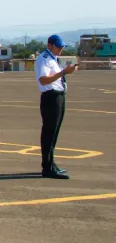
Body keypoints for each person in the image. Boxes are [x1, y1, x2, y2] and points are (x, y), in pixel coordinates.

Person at [35, 34, 78, 179]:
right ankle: (47, 167)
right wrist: (64, 72)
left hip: (58, 96)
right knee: (49, 132)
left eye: (62, 47)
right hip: (50, 97)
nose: (60, 50)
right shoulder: (44, 59)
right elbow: (43, 80)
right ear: (49, 45)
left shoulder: (54, 59)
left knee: (54, 133)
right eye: (58, 47)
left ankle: (51, 163)